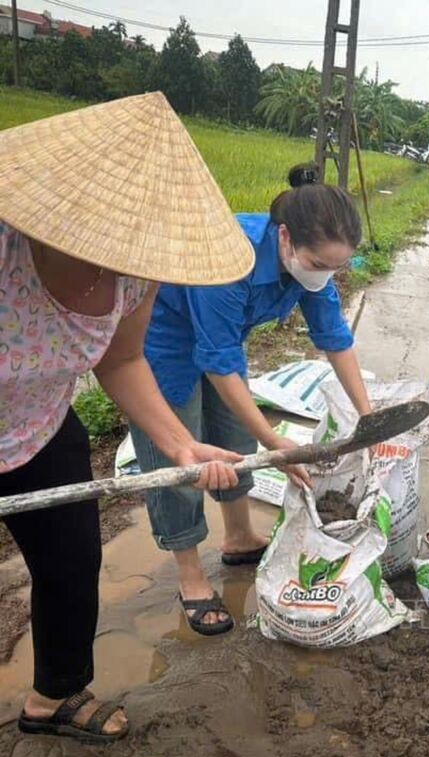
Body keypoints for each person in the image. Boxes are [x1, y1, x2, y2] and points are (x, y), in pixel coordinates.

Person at [0, 93, 251, 742]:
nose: (124, 250)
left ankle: (54, 697)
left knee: (72, 565)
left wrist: (179, 444)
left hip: (44, 428)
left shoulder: (136, 272)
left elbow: (121, 358)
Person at [132, 163, 374, 637]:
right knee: (182, 458)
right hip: (165, 341)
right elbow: (217, 360)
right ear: (285, 238)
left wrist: (368, 416)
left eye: (337, 267)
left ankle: (240, 536)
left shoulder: (309, 271)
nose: (327, 275)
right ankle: (191, 576)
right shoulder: (230, 256)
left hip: (225, 341)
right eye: (321, 264)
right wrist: (275, 443)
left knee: (233, 436)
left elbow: (334, 337)